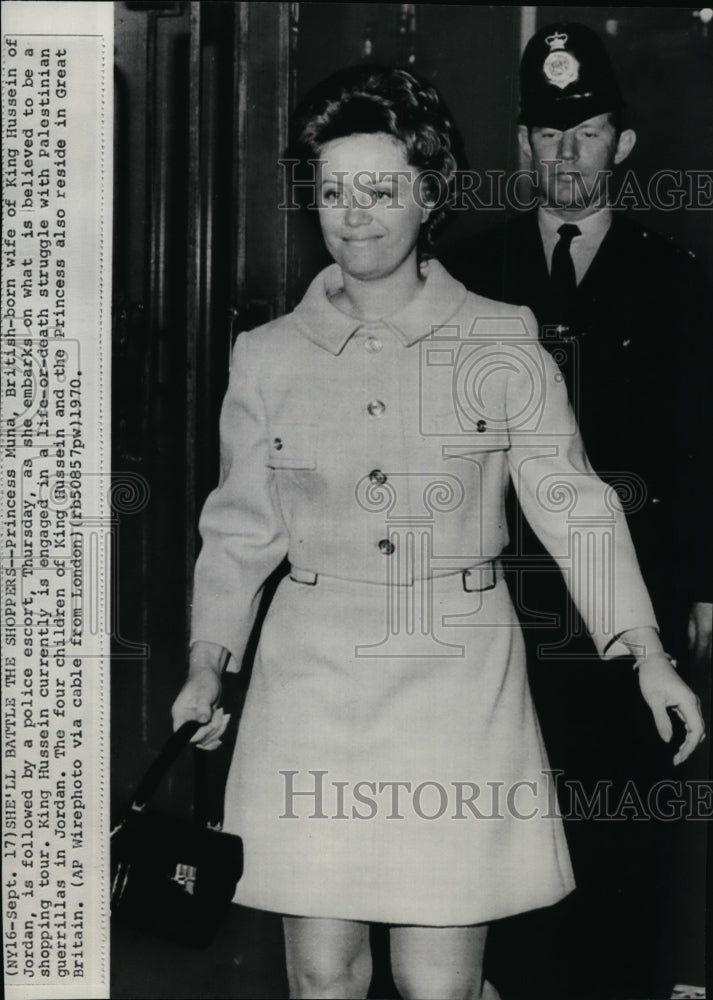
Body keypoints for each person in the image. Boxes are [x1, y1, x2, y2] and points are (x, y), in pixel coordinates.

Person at [171, 65, 705, 1000]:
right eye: (333, 191)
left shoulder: (500, 338)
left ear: (429, 192)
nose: (354, 214)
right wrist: (207, 661)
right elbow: (240, 530)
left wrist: (644, 650)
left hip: (455, 689)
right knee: (323, 976)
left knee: (437, 984)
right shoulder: (265, 355)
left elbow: (572, 500)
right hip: (312, 685)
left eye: (379, 189)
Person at [442, 23, 711, 999]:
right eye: (547, 134)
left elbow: (696, 449)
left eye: (586, 131)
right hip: (500, 604)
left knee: (621, 822)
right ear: (521, 147)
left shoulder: (674, 281)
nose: (566, 153)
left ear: (622, 145)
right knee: (509, 822)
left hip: (626, 599)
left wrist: (695, 593)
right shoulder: (469, 277)